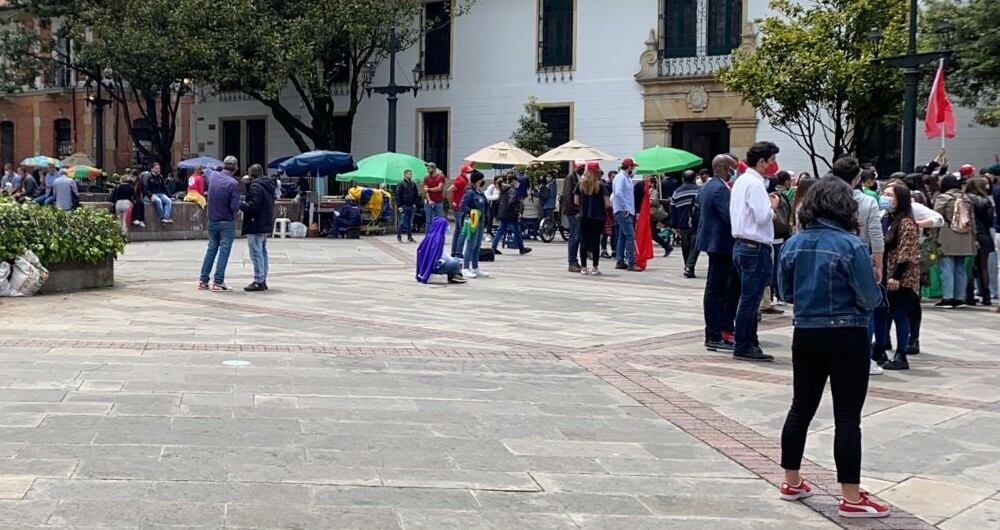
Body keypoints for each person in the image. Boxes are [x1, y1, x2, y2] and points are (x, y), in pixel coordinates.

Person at [776, 176, 890, 519]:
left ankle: (791, 480)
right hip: (847, 333)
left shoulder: (793, 244)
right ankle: (851, 497)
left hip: (806, 332)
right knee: (847, 417)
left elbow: (786, 292)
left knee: (801, 408)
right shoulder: (851, 245)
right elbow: (869, 297)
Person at [831, 156, 884, 375]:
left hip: (830, 258)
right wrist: (879, 265)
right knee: (865, 308)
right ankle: (864, 357)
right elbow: (876, 235)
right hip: (860, 258)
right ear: (857, 178)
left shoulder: (826, 198)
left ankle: (836, 354)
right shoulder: (868, 202)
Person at [730, 141, 780, 362]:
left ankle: (750, 341)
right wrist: (772, 207)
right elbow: (762, 216)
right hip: (754, 246)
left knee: (748, 297)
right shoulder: (755, 184)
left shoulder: (741, 181)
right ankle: (744, 344)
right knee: (751, 299)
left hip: (742, 245)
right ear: (762, 161)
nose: (774, 164)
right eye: (772, 160)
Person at [874, 185, 920, 371]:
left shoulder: (906, 222)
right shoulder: (885, 218)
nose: (885, 198)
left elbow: (906, 251)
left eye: (890, 195)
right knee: (879, 313)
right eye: (884, 194)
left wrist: (896, 276)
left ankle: (901, 354)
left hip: (900, 277)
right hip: (883, 273)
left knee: (899, 314)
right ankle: (879, 349)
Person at [699, 154, 740, 352]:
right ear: (724, 167)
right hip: (721, 245)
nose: (735, 171)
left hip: (715, 244)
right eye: (733, 167)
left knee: (718, 289)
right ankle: (714, 334)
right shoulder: (720, 189)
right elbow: (731, 217)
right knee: (717, 290)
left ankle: (719, 330)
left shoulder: (709, 186)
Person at [933, 174, 977, 307]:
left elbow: (936, 218)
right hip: (965, 236)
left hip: (946, 235)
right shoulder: (966, 199)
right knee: (960, 267)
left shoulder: (942, 198)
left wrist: (933, 236)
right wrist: (974, 237)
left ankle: (948, 297)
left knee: (946, 267)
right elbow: (972, 220)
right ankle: (960, 297)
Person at [199, 156, 241, 292]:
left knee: (211, 248)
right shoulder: (233, 184)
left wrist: (215, 169)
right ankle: (218, 282)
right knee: (224, 250)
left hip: (212, 219)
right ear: (236, 168)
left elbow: (206, 170)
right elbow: (234, 207)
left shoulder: (213, 176)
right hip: (226, 221)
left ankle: (203, 280)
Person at [240, 164, 275, 292]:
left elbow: (253, 207)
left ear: (251, 174)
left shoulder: (256, 187)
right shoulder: (267, 185)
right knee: (262, 251)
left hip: (255, 223)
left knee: (256, 252)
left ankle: (259, 280)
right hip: (264, 222)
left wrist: (240, 204)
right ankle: (263, 278)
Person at [575, 162, 611, 275]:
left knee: (583, 241)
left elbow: (576, 201)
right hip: (598, 216)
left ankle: (584, 267)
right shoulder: (602, 186)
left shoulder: (580, 184)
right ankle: (595, 267)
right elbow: (607, 204)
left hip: (583, 216)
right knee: (595, 241)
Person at [965, 177, 994, 306]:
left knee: (969, 266)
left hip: (970, 234)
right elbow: (990, 220)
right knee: (983, 266)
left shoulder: (966, 199)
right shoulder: (986, 200)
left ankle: (969, 295)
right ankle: (986, 295)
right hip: (985, 234)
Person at [416, 217, 466, 284]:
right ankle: (455, 275)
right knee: (456, 262)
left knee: (454, 261)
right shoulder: (439, 238)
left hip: (428, 266)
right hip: (435, 267)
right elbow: (443, 255)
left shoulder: (429, 236)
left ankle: (455, 276)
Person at [670, 170, 701, 278]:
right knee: (695, 245)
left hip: (683, 224)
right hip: (697, 223)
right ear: (695, 178)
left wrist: (674, 225)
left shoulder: (677, 192)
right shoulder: (699, 191)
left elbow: (672, 209)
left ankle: (688, 266)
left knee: (685, 246)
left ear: (683, 179)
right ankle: (689, 267)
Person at [492, 174, 532, 255]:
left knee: (504, 230)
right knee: (515, 230)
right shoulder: (512, 190)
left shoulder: (504, 189)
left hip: (503, 213)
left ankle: (494, 247)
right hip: (510, 213)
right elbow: (512, 202)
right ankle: (521, 248)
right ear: (513, 181)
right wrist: (516, 211)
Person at [460, 170, 489, 278]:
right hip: (472, 221)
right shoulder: (470, 192)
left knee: (477, 245)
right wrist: (472, 212)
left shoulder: (480, 192)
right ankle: (466, 267)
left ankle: (475, 267)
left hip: (481, 221)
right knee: (470, 245)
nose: (482, 181)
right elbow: (463, 205)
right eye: (480, 179)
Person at [612, 158, 640, 271]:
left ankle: (620, 260)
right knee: (630, 235)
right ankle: (631, 262)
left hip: (626, 210)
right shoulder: (621, 177)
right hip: (623, 210)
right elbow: (618, 193)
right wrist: (625, 207)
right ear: (629, 167)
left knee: (623, 235)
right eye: (633, 167)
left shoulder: (626, 178)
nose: (633, 169)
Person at [564, 161, 585, 272]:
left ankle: (574, 261)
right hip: (573, 212)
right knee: (574, 237)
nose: (583, 169)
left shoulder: (579, 178)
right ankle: (572, 262)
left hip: (577, 212)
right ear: (576, 167)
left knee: (577, 237)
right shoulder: (570, 178)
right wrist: (575, 211)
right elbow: (568, 196)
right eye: (581, 167)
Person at [448, 164, 471, 257]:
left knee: (458, 230)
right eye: (468, 172)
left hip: (459, 208)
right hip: (459, 208)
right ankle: (458, 252)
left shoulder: (464, 180)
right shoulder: (461, 181)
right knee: (462, 231)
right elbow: (449, 190)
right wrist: (452, 203)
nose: (470, 174)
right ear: (463, 173)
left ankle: (454, 252)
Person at [394, 169, 420, 243]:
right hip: (403, 206)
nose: (410, 175)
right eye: (409, 174)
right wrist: (399, 206)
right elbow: (397, 195)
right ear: (405, 175)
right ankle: (399, 237)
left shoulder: (413, 184)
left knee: (410, 223)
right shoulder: (401, 184)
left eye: (411, 174)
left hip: (411, 206)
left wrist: (415, 203)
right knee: (402, 222)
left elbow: (416, 194)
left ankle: (409, 237)